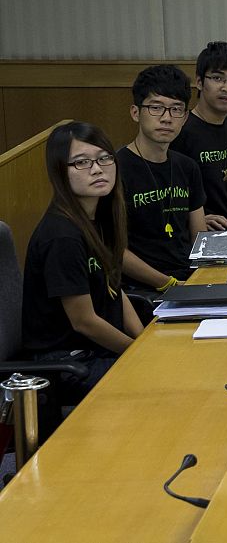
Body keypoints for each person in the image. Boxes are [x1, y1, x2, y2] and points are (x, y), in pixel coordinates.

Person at [20, 122, 145, 401]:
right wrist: (139, 353)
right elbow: (84, 322)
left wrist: (144, 340)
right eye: (82, 162)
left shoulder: (99, 218)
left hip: (95, 352)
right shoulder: (61, 236)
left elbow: (114, 288)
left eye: (104, 158)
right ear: (59, 172)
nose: (98, 169)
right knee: (162, 380)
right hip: (66, 363)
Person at [117, 65, 210, 295]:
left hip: (187, 279)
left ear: (185, 116)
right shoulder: (115, 169)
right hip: (142, 289)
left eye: (176, 109)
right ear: (135, 112)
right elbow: (114, 250)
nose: (167, 118)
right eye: (156, 108)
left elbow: (200, 237)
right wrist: (167, 283)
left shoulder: (187, 167)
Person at [172, 41, 227, 226]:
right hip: (201, 239)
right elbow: (168, 195)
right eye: (217, 78)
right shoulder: (181, 132)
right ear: (199, 82)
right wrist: (195, 221)